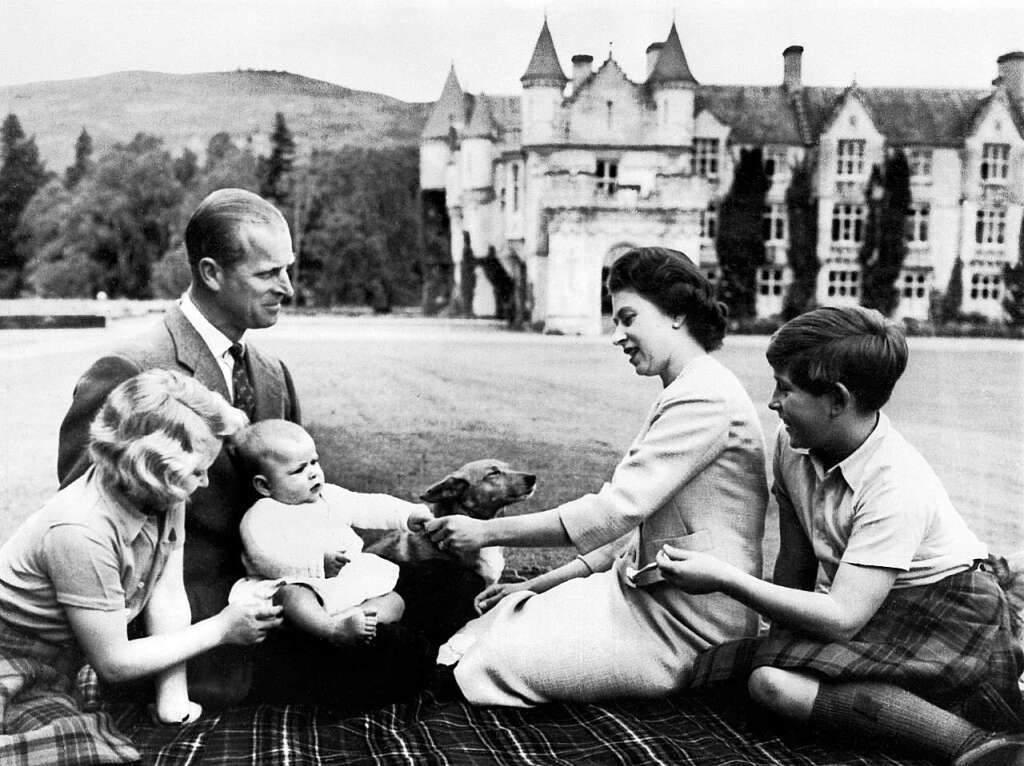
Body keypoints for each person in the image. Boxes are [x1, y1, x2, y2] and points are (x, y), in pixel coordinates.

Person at [660, 306, 1024, 766]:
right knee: (719, 671)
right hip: (871, 605)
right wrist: (781, 642)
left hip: (947, 611)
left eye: (785, 389)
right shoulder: (791, 444)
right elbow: (795, 562)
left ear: (837, 399)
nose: (772, 403)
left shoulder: (896, 482)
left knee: (770, 683)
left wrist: (727, 579)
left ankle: (976, 745)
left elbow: (842, 618)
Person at [425, 246, 769, 706]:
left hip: (690, 628)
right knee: (498, 619)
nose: (617, 335)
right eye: (615, 321)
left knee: (485, 666)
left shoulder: (705, 399)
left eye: (628, 318)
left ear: (677, 314)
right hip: (639, 598)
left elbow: (612, 513)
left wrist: (485, 532)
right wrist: (537, 583)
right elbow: (626, 535)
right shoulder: (687, 388)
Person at [57, 188, 300, 706]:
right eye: (268, 274)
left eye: (288, 269)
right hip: (176, 650)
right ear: (210, 273)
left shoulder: (274, 376)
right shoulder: (129, 371)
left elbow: (298, 502)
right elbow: (86, 529)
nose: (288, 287)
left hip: (282, 614)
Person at [0, 370, 282, 764]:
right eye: (197, 472)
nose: (202, 484)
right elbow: (114, 663)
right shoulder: (80, 529)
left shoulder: (162, 493)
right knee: (83, 752)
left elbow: (166, 594)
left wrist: (173, 700)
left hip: (66, 660)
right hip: (14, 659)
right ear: (148, 467)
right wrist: (222, 628)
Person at [232, 420, 433, 645]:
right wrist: (317, 563)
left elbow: (367, 506)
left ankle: (360, 620)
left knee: (394, 601)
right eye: (299, 470)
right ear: (265, 486)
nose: (313, 474)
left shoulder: (329, 496)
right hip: (298, 580)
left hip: (341, 579)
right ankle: (333, 630)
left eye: (314, 462)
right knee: (292, 597)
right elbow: (263, 554)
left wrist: (407, 515)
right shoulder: (263, 514)